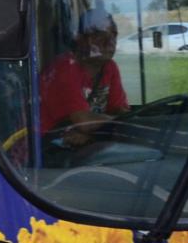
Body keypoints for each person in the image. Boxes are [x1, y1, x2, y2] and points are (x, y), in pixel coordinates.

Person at [38, 9, 130, 144]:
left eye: (113, 35)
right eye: (99, 35)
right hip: (44, 148)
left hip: (80, 144)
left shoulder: (109, 67)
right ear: (80, 39)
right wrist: (124, 122)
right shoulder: (64, 68)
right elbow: (84, 122)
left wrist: (124, 120)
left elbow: (118, 110)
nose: (109, 42)